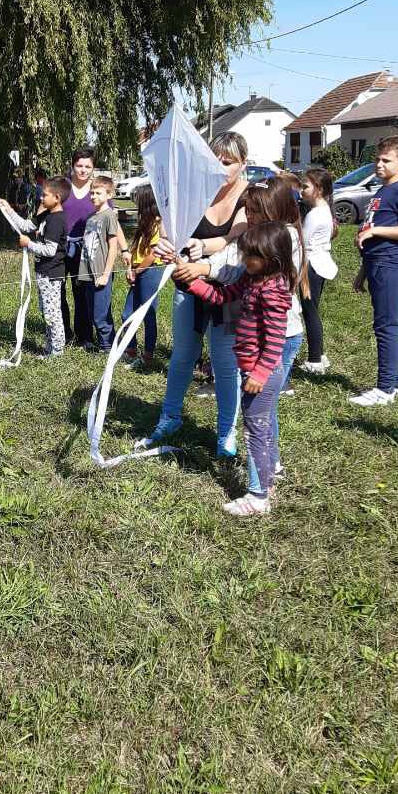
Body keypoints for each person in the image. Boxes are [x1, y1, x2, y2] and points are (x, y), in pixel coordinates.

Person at [177, 179, 307, 488]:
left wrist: (203, 269)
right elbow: (227, 282)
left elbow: (235, 266)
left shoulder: (280, 242)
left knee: (258, 415)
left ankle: (259, 486)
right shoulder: (256, 252)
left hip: (278, 339)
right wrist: (196, 277)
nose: (247, 215)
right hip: (265, 342)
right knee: (263, 410)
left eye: (253, 210)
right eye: (245, 209)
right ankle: (269, 465)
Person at [138, 132, 249, 457]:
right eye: (214, 160)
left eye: (227, 162)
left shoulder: (249, 196)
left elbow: (236, 237)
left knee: (225, 361)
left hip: (229, 290)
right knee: (183, 353)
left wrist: (204, 246)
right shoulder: (195, 192)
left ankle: (226, 432)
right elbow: (175, 230)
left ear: (242, 163)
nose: (220, 167)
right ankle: (169, 417)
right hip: (188, 283)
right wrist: (167, 243)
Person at [184, 221, 295, 517]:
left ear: (272, 258)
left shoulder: (272, 291)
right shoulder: (254, 278)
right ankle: (269, 477)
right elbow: (222, 297)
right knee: (264, 425)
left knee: (255, 432)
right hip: (255, 370)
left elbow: (274, 341)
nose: (244, 261)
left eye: (250, 256)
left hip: (264, 373)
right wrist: (192, 283)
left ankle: (258, 496)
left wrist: (258, 374)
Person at [349, 137, 398, 406]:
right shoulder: (382, 190)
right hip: (376, 263)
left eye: (386, 161)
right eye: (377, 159)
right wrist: (363, 271)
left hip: (391, 264)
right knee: (392, 324)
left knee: (386, 326)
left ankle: (384, 388)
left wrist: (376, 230)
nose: (379, 165)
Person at [8, 176, 70, 357]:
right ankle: (49, 347)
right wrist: (7, 208)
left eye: (45, 195)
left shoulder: (56, 220)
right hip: (43, 273)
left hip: (52, 274)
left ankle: (57, 350)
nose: (41, 198)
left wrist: (29, 244)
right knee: (46, 311)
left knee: (53, 314)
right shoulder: (46, 215)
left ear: (57, 198)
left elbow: (50, 250)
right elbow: (26, 225)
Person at [76, 174, 128, 352]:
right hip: (89, 273)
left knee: (101, 314)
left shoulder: (108, 216)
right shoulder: (92, 217)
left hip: (101, 274)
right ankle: (103, 344)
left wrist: (106, 274)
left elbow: (113, 247)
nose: (93, 196)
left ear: (109, 194)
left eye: (98, 193)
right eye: (92, 193)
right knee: (92, 312)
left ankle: (108, 347)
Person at [121, 183, 166, 370]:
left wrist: (138, 270)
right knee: (127, 314)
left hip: (150, 272)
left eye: (138, 199)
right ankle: (130, 350)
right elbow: (135, 251)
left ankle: (147, 356)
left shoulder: (158, 224)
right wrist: (131, 268)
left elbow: (154, 253)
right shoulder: (144, 223)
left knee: (148, 315)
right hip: (138, 271)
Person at [299, 169, 338, 374]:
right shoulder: (324, 210)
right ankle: (319, 354)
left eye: (305, 186)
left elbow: (302, 243)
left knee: (310, 311)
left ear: (319, 189)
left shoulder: (315, 214)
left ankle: (315, 359)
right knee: (312, 309)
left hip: (311, 266)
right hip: (319, 264)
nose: (301, 190)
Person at [59, 147, 98, 345]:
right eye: (79, 165)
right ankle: (63, 334)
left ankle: (85, 337)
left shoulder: (96, 189)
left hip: (85, 250)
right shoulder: (63, 186)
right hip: (59, 247)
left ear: (93, 167)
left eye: (87, 166)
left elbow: (108, 216)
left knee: (82, 293)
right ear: (73, 165)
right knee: (58, 292)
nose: (83, 170)